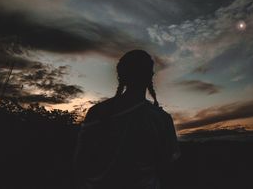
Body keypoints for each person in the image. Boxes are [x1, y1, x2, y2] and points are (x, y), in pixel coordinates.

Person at [73, 50, 180, 189]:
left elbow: (80, 163)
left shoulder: (97, 111)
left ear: (121, 75)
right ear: (150, 75)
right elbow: (167, 166)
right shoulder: (161, 118)